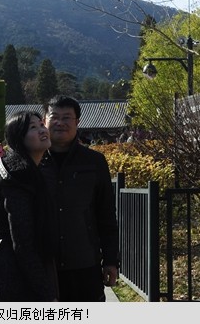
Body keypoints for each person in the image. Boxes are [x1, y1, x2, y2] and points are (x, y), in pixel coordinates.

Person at [41, 95, 120, 301]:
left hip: (84, 263)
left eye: (67, 117)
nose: (60, 122)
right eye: (54, 117)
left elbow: (106, 214)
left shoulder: (94, 162)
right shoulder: (32, 161)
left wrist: (111, 260)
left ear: (78, 122)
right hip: (41, 266)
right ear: (44, 120)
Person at [0, 112, 58, 301]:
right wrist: (47, 294)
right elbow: (23, 244)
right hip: (12, 283)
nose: (42, 130)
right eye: (33, 127)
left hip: (16, 277)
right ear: (18, 138)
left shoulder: (30, 172)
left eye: (41, 124)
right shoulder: (17, 179)